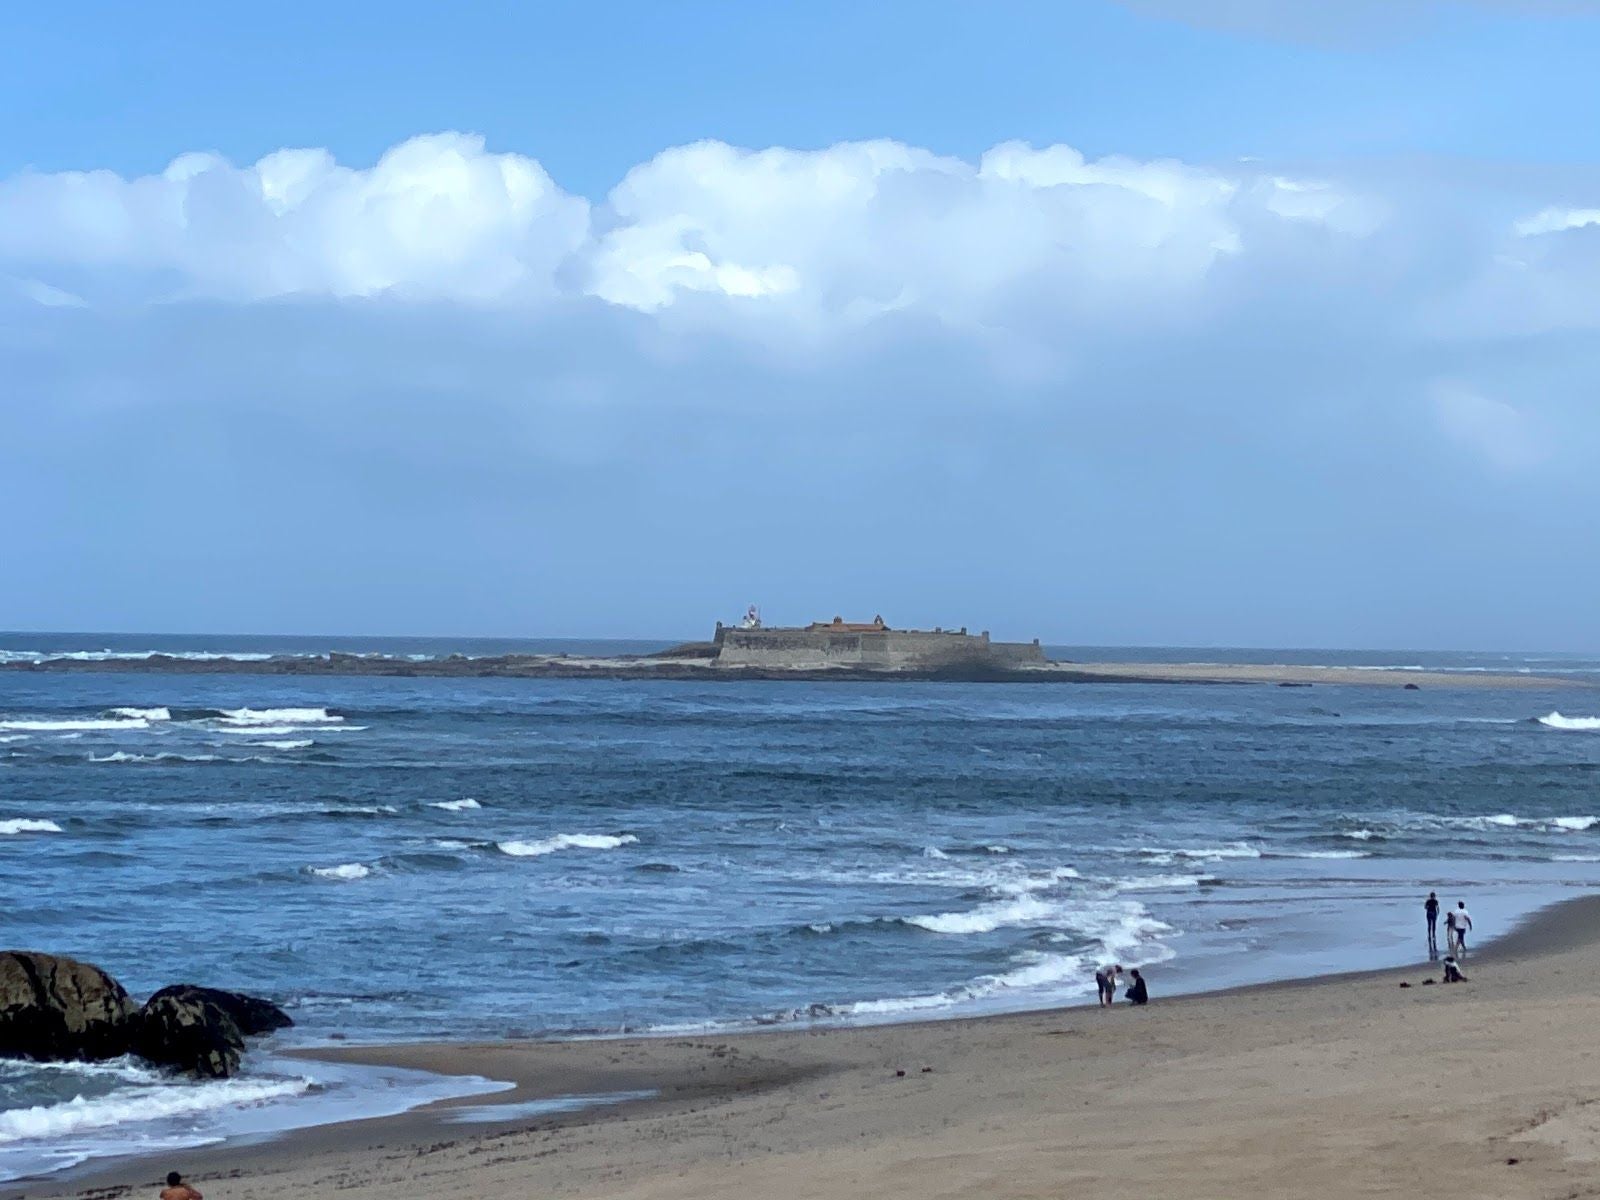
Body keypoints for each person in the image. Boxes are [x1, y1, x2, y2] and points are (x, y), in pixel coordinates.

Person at [1424, 891, 1440, 955]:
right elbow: (1437, 907)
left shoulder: (1428, 901)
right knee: (1434, 925)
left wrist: (1428, 907)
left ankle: (1429, 935)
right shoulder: (1436, 901)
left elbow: (1425, 907)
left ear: (1430, 896)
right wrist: (1438, 913)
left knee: (1429, 925)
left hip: (1429, 913)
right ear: (1434, 896)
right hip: (1434, 913)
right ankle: (1433, 935)